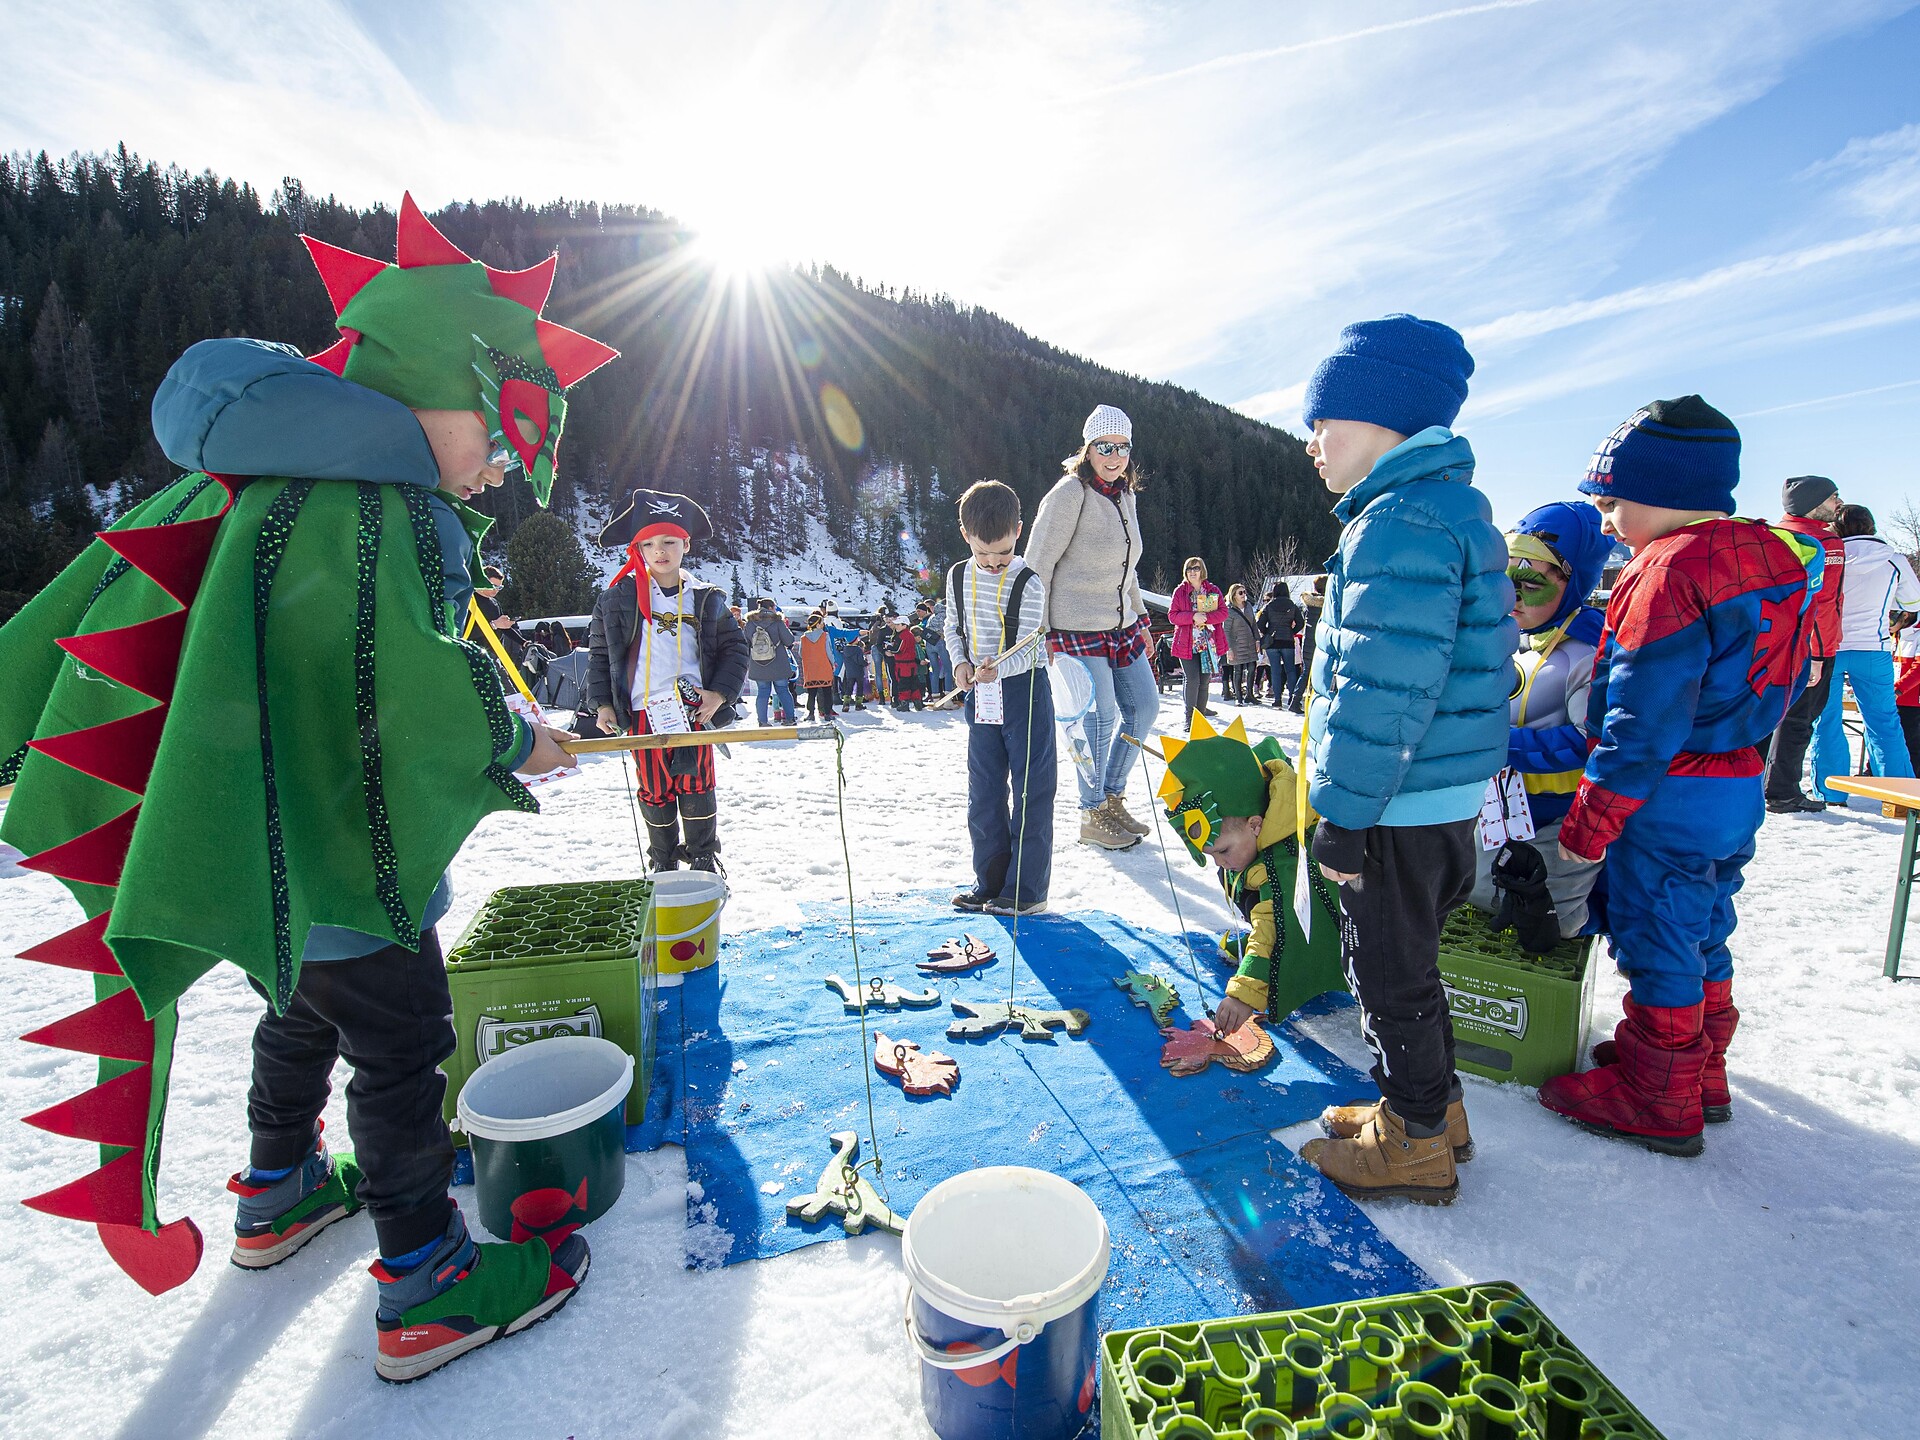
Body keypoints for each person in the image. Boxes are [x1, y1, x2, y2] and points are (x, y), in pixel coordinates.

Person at [0, 197, 612, 1378]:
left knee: (296, 1001)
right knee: (401, 1043)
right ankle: (425, 1281)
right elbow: (410, 687)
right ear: (440, 391)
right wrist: (516, 742)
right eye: (500, 434)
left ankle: (275, 1192)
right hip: (344, 835)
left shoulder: (256, 476)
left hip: (275, 844)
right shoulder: (380, 509)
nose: (502, 472)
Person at [1540, 397, 1821, 1156]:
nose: (1606, 522)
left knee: (1656, 929)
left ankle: (1657, 1095)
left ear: (1662, 491)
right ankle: (1701, 1068)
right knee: (1703, 924)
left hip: (1670, 788)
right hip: (1736, 783)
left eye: (1613, 503)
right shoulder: (1772, 559)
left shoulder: (1669, 569)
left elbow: (1643, 714)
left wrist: (1591, 822)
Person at [1289, 315, 1515, 1206]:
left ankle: (1413, 1140)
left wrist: (1343, 814)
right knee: (1411, 965)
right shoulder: (1446, 510)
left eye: (1323, 423)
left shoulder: (1396, 524)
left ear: (1382, 420)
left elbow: (1383, 694)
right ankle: (1435, 1109)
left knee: (1386, 972)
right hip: (1438, 794)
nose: (1311, 444)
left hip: (1393, 800)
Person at [1466, 502, 1613, 939]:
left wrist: (1503, 744)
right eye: (1504, 581)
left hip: (1557, 822)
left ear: (1572, 585)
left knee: (1550, 924)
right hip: (1503, 811)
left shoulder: (1587, 653)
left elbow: (1597, 742)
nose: (1511, 596)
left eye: (1529, 584)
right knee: (1478, 899)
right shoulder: (1521, 640)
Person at [1158, 714, 1346, 1043]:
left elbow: (1272, 924)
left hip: (1342, 926)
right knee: (1235, 878)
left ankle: (1292, 961)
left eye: (1223, 850)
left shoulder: (1283, 862)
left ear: (1256, 825)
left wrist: (1245, 993)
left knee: (1266, 905)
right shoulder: (1252, 845)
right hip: (1272, 897)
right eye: (1211, 853)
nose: (1219, 861)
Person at [590, 489, 747, 872]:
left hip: (693, 712)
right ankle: (662, 860)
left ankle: (704, 857)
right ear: (638, 549)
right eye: (650, 544)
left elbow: (735, 650)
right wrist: (602, 704)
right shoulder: (616, 600)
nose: (660, 551)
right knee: (655, 789)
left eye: (669, 542)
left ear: (686, 545)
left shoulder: (705, 599)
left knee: (697, 786)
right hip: (643, 713)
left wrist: (720, 694)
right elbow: (599, 656)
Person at [1023, 405, 1157, 851]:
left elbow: (1128, 570)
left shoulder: (1125, 497)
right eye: (1105, 446)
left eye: (1122, 447)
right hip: (1074, 627)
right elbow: (1037, 565)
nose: (1114, 456)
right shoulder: (1070, 493)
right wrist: (1037, 633)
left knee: (1144, 709)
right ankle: (1090, 810)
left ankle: (1112, 796)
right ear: (1089, 449)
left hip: (1120, 626)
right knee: (1098, 718)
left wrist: (1140, 620)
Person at [945, 480, 1055, 917]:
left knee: (1032, 789)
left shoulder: (1028, 580)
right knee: (985, 788)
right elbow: (954, 629)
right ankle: (989, 881)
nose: (993, 563)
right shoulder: (956, 576)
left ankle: (1027, 889)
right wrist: (960, 665)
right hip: (980, 691)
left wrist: (996, 668)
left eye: (1003, 553)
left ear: (1019, 532)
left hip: (1023, 687)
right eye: (983, 554)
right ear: (965, 535)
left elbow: (1030, 643)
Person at [1810, 503, 1920, 804]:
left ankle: (1830, 791)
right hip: (1874, 647)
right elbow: (1913, 602)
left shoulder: (1830, 556)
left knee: (1827, 718)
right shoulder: (1894, 559)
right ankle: (1900, 795)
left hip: (1829, 646)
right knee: (1883, 721)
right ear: (1871, 525)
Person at [1763, 476, 1847, 813]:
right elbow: (1822, 603)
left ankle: (1757, 784)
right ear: (1814, 503)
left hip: (1771, 645)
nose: (1839, 503)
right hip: (1811, 647)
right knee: (1799, 720)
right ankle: (1782, 792)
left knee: (1768, 716)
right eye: (1833, 497)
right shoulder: (1826, 542)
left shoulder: (1773, 534)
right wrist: (1818, 654)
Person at [1169, 557, 1227, 726]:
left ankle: (1200, 720)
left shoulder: (1213, 590)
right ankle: (1189, 719)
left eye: (1196, 568)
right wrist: (1192, 616)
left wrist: (1207, 618)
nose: (1192, 572)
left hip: (1208, 644)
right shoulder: (1180, 592)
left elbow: (1223, 613)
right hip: (1186, 643)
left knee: (1204, 680)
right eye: (1189, 569)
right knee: (1192, 679)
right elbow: (1172, 616)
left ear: (1202, 571)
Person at [741, 598, 798, 725]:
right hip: (778, 663)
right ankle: (790, 718)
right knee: (783, 690)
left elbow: (746, 643)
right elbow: (789, 640)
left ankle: (762, 721)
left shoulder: (750, 623)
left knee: (762, 693)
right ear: (771, 607)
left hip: (758, 663)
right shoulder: (777, 621)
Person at [1257, 580, 1303, 707]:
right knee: (1290, 671)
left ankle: (1277, 699)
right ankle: (1292, 699)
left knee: (1275, 671)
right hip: (1288, 640)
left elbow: (1260, 624)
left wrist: (1268, 632)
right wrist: (1291, 631)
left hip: (1272, 642)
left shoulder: (1269, 606)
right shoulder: (1292, 605)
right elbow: (1301, 622)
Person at [1222, 582, 1260, 705]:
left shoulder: (1248, 606)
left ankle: (1250, 694)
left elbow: (1254, 624)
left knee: (1252, 668)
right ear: (1234, 595)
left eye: (1244, 592)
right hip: (1236, 644)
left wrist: (1257, 640)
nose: (1244, 595)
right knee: (1237, 670)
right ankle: (1238, 697)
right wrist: (1229, 648)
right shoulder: (1229, 610)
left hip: (1249, 642)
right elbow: (1226, 630)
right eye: (1240, 592)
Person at [796, 610, 839, 720]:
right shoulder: (825, 636)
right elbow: (829, 651)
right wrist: (832, 663)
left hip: (810, 668)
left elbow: (801, 653)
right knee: (827, 692)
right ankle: (827, 713)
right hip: (824, 666)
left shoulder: (803, 638)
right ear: (818, 624)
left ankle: (811, 713)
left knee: (811, 692)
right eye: (822, 622)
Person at [1295, 577, 1326, 713]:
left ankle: (1295, 700)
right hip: (1319, 643)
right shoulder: (1326, 606)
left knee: (1306, 672)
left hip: (1307, 642)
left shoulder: (1309, 604)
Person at [886, 615, 927, 709]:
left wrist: (889, 648)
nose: (896, 626)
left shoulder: (902, 636)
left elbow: (897, 649)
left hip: (903, 665)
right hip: (912, 664)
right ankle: (918, 703)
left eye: (898, 625)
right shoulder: (910, 635)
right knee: (914, 684)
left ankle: (904, 704)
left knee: (903, 684)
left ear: (904, 625)